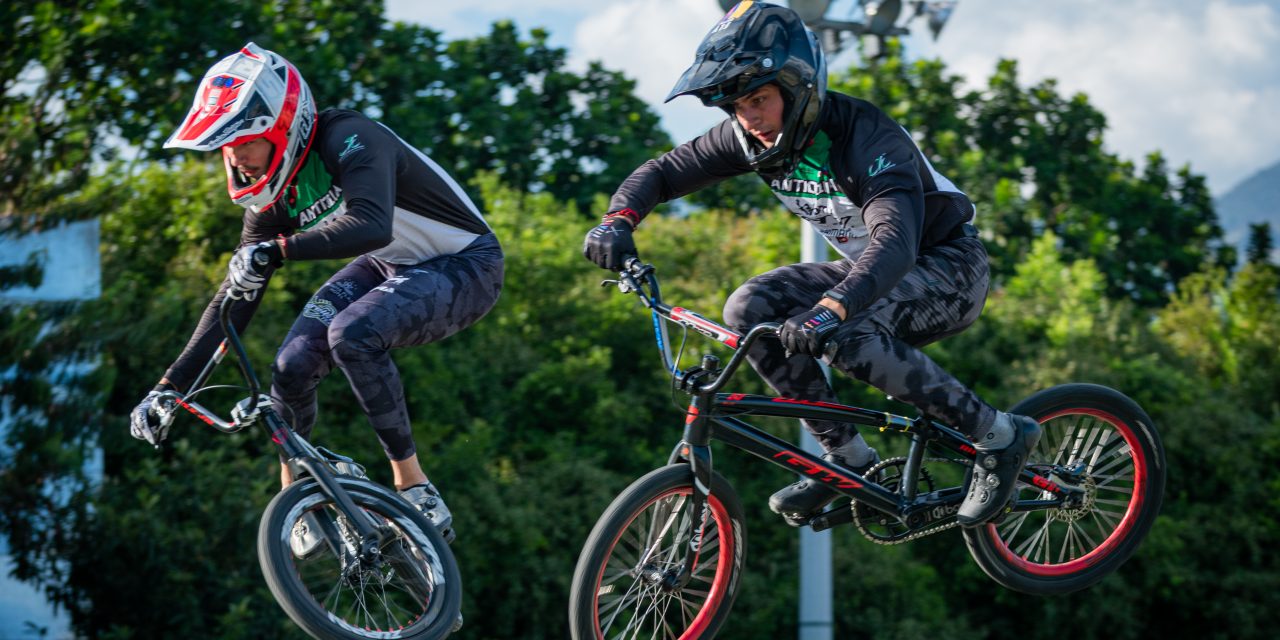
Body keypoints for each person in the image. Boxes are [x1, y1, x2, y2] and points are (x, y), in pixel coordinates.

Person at [582, 2, 1039, 528]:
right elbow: (663, 173)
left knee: (845, 331)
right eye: (736, 106)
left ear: (798, 90)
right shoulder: (747, 136)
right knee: (750, 307)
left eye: (759, 99)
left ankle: (999, 435)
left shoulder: (866, 139)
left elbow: (894, 243)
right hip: (869, 270)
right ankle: (848, 461)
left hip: (949, 269)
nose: (749, 118)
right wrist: (618, 220)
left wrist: (833, 308)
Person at [129, 42, 503, 549]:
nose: (235, 156)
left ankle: (415, 486)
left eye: (245, 138)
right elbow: (232, 304)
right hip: (388, 264)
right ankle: (297, 495)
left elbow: (370, 225)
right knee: (290, 364)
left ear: (284, 128)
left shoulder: (349, 137)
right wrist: (168, 389)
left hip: (467, 265)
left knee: (352, 334)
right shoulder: (269, 202)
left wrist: (277, 250)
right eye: (224, 144)